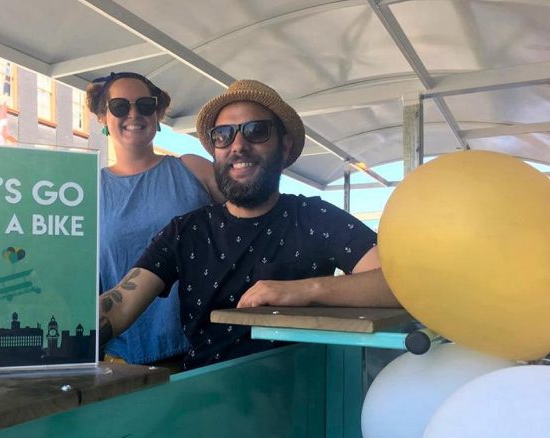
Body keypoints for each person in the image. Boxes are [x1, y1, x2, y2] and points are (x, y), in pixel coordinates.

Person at [98, 79, 400, 370]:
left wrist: (306, 290)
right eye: (224, 135)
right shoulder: (185, 232)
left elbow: (399, 284)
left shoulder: (313, 217)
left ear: (285, 145)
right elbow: (121, 304)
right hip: (203, 401)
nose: (238, 145)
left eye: (256, 131)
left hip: (304, 403)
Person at [87, 72, 224, 366]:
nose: (134, 114)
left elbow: (250, 218)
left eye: (145, 105)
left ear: (158, 113)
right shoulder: (87, 192)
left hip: (205, 348)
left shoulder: (194, 169)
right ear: (102, 116)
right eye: (120, 106)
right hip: (124, 359)